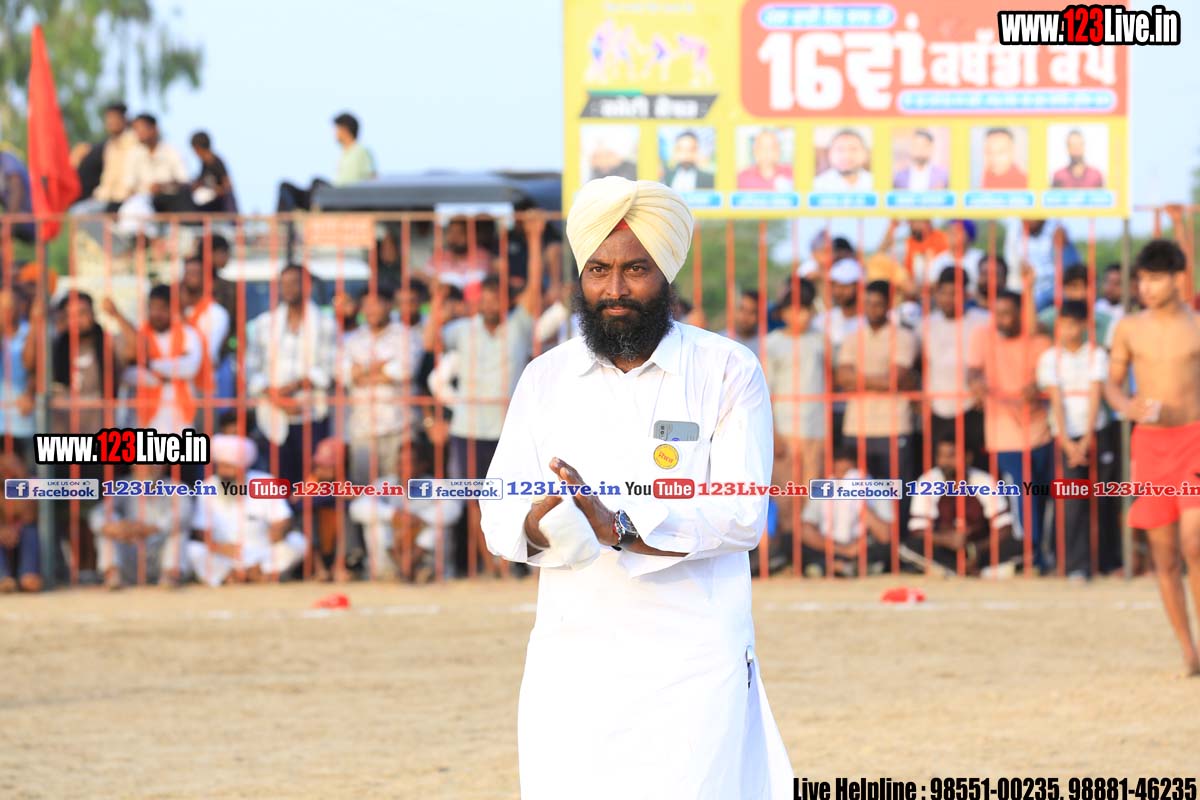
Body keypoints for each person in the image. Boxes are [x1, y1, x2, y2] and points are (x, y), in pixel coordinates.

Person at [479, 176, 793, 798]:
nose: (615, 289)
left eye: (635, 269)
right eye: (598, 270)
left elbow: (741, 515)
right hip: (574, 658)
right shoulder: (546, 378)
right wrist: (545, 519)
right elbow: (498, 515)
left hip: (694, 658)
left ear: (666, 275)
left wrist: (617, 526)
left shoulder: (727, 370)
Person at [1105, 239, 1200, 676]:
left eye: (1155, 278)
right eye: (1141, 279)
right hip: (1151, 445)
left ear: (1178, 279)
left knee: (1194, 542)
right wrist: (1126, 406)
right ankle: (1188, 651)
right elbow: (1112, 384)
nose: (1145, 287)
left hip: (1195, 440)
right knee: (1164, 556)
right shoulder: (1127, 328)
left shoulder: (1196, 326)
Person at [968, 290, 1054, 568]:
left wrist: (1038, 386)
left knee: (1043, 496)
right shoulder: (983, 337)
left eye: (1007, 313)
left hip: (1040, 432)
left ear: (1021, 314)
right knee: (1023, 496)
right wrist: (976, 382)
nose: (1001, 320)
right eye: (997, 314)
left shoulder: (1040, 342)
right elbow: (972, 370)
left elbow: (1049, 376)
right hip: (1004, 435)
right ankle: (1029, 555)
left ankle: (1043, 554)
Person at [1037, 300, 1109, 579]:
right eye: (1063, 324)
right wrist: (1067, 442)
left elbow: (1096, 395)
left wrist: (1087, 438)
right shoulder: (1049, 358)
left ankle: (1103, 561)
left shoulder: (1096, 355)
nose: (1068, 330)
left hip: (1095, 432)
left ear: (1084, 326)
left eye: (1073, 324)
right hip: (1065, 436)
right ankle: (1075, 564)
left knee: (1102, 498)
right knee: (1072, 501)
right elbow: (1055, 400)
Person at [245, 264, 335, 485]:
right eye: (283, 283)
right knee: (278, 481)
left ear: (308, 285)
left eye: (294, 282)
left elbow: (328, 370)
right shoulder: (264, 323)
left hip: (311, 413)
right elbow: (251, 369)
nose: (288, 288)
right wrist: (277, 397)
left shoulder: (326, 323)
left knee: (312, 483)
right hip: (272, 414)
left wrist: (293, 388)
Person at [837, 280, 919, 501]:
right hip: (856, 426)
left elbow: (894, 380)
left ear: (889, 305)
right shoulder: (852, 337)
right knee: (857, 495)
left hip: (894, 425)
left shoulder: (904, 337)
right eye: (868, 303)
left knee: (895, 495)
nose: (872, 309)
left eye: (878, 304)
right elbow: (843, 378)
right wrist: (883, 380)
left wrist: (858, 380)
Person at [186, 434, 306, 586]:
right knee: (193, 549)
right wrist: (218, 547)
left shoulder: (264, 481)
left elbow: (283, 519)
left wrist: (279, 530)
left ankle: (261, 572)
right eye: (221, 467)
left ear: (243, 468)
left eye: (229, 467)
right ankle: (230, 576)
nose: (224, 473)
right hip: (225, 555)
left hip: (262, 553)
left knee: (298, 541)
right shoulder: (207, 486)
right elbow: (199, 530)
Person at [900, 435, 1021, 577]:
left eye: (951, 455)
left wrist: (976, 549)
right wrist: (947, 540)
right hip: (943, 548)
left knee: (1022, 546)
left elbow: (1004, 527)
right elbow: (918, 530)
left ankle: (956, 570)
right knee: (909, 546)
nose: (944, 461)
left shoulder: (984, 480)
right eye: (941, 456)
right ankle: (967, 570)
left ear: (968, 457)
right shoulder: (928, 481)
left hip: (980, 548)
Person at [338, 286, 423, 485]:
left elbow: (404, 371)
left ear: (389, 305)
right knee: (364, 492)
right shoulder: (352, 339)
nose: (371, 310)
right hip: (363, 429)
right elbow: (343, 375)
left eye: (376, 304)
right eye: (366, 305)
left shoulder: (407, 336)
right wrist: (380, 367)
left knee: (400, 489)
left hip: (399, 427)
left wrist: (362, 370)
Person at [348, 436, 463, 582]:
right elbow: (357, 508)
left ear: (423, 465)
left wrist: (419, 520)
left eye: (410, 463)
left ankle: (419, 570)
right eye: (400, 463)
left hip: (428, 560)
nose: (404, 467)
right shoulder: (384, 484)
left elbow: (454, 508)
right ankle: (398, 571)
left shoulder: (436, 484)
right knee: (378, 527)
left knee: (437, 528)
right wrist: (393, 515)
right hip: (390, 561)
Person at [766, 279, 824, 544]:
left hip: (815, 431)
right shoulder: (773, 343)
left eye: (805, 309)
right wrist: (774, 435)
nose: (800, 315)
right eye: (794, 309)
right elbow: (765, 392)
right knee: (786, 495)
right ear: (784, 313)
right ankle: (789, 551)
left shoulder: (820, 340)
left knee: (811, 497)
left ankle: (806, 550)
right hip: (785, 429)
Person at [105, 285, 202, 435]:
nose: (157, 313)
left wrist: (150, 364)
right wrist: (163, 375)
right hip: (144, 417)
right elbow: (126, 373)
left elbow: (190, 368)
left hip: (180, 417)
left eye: (163, 308)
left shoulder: (188, 334)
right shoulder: (137, 336)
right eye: (153, 307)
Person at [923, 267, 991, 468]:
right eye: (943, 292)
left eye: (954, 293)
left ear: (966, 294)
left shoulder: (984, 320)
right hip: (938, 409)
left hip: (973, 408)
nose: (948, 299)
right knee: (942, 472)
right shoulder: (926, 324)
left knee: (977, 470)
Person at [88, 462, 192, 589]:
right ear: (134, 467)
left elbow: (183, 514)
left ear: (163, 466)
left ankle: (170, 578)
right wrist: (115, 528)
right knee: (107, 531)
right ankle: (113, 577)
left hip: (159, 555)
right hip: (130, 549)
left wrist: (150, 529)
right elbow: (98, 513)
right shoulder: (122, 486)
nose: (148, 468)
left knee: (178, 533)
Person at [800, 443, 893, 577]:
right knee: (792, 544)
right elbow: (806, 530)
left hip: (862, 546)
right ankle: (843, 567)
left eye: (847, 473)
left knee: (889, 550)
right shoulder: (823, 488)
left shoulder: (877, 489)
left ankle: (830, 567)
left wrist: (858, 499)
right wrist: (842, 550)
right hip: (830, 547)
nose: (842, 478)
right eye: (837, 473)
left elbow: (885, 536)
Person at [276, 112, 376, 212]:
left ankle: (312, 212)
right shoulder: (345, 153)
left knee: (317, 183)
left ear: (345, 130)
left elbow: (372, 177)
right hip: (331, 194)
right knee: (285, 187)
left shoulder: (361, 151)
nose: (335, 133)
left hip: (342, 197)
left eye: (337, 129)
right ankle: (286, 218)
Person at [118, 113, 190, 219]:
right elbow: (129, 184)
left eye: (142, 128)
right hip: (143, 201)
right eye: (136, 129)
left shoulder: (171, 152)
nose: (139, 133)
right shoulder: (133, 154)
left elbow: (184, 180)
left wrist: (162, 186)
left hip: (170, 200)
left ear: (154, 129)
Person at [1004, 218, 1081, 312]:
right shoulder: (1015, 232)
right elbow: (1012, 267)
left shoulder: (1057, 229)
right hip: (1023, 289)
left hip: (1055, 291)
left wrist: (1064, 248)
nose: (1029, 219)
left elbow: (1073, 267)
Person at [1036, 265, 1114, 345]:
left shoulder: (1107, 321)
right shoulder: (1050, 317)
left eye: (1087, 287)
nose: (1081, 293)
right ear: (1064, 289)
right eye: (1075, 287)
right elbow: (1033, 331)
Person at [0, 288, 35, 459]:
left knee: (23, 472)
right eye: (2, 307)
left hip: (23, 420)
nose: (6, 312)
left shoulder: (30, 332)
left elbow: (36, 367)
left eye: (10, 307)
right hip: (2, 419)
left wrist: (30, 393)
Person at [0, 454, 40, 593]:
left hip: (22, 534)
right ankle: (2, 578)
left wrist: (20, 479)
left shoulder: (33, 481)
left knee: (31, 531)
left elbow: (31, 516)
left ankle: (28, 575)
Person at [189, 130, 236, 213]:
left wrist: (216, 191)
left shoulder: (217, 162)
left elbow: (228, 187)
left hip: (222, 208)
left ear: (198, 148)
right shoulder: (204, 164)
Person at [0, 147, 33, 242]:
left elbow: (16, 192)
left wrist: (7, 227)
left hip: (30, 218)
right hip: (15, 217)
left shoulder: (7, 161)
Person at [730, 288, 763, 356]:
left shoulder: (766, 344)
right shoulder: (721, 339)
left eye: (752, 312)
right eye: (742, 309)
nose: (745, 316)